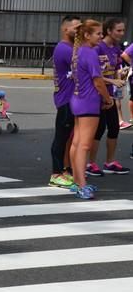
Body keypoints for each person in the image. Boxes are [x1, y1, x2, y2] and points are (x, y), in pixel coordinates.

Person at [68, 19, 114, 199]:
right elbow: (98, 81)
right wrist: (108, 98)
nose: (101, 36)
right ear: (87, 35)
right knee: (85, 145)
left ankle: (76, 181)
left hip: (77, 99)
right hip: (89, 101)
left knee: (77, 142)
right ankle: (82, 184)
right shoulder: (89, 53)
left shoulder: (78, 52)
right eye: (98, 33)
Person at [87, 18, 130, 176]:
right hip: (97, 94)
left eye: (123, 30)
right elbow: (94, 74)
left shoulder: (116, 48)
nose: (121, 33)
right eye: (118, 30)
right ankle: (90, 163)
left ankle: (110, 162)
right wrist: (112, 80)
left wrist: (121, 74)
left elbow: (116, 68)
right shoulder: (97, 48)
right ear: (109, 31)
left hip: (110, 94)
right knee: (98, 129)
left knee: (114, 128)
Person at [49, 15, 81, 188]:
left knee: (68, 137)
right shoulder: (64, 49)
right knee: (61, 137)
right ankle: (56, 173)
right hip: (65, 99)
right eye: (75, 27)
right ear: (65, 29)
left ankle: (65, 170)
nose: (78, 31)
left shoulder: (72, 47)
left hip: (72, 99)